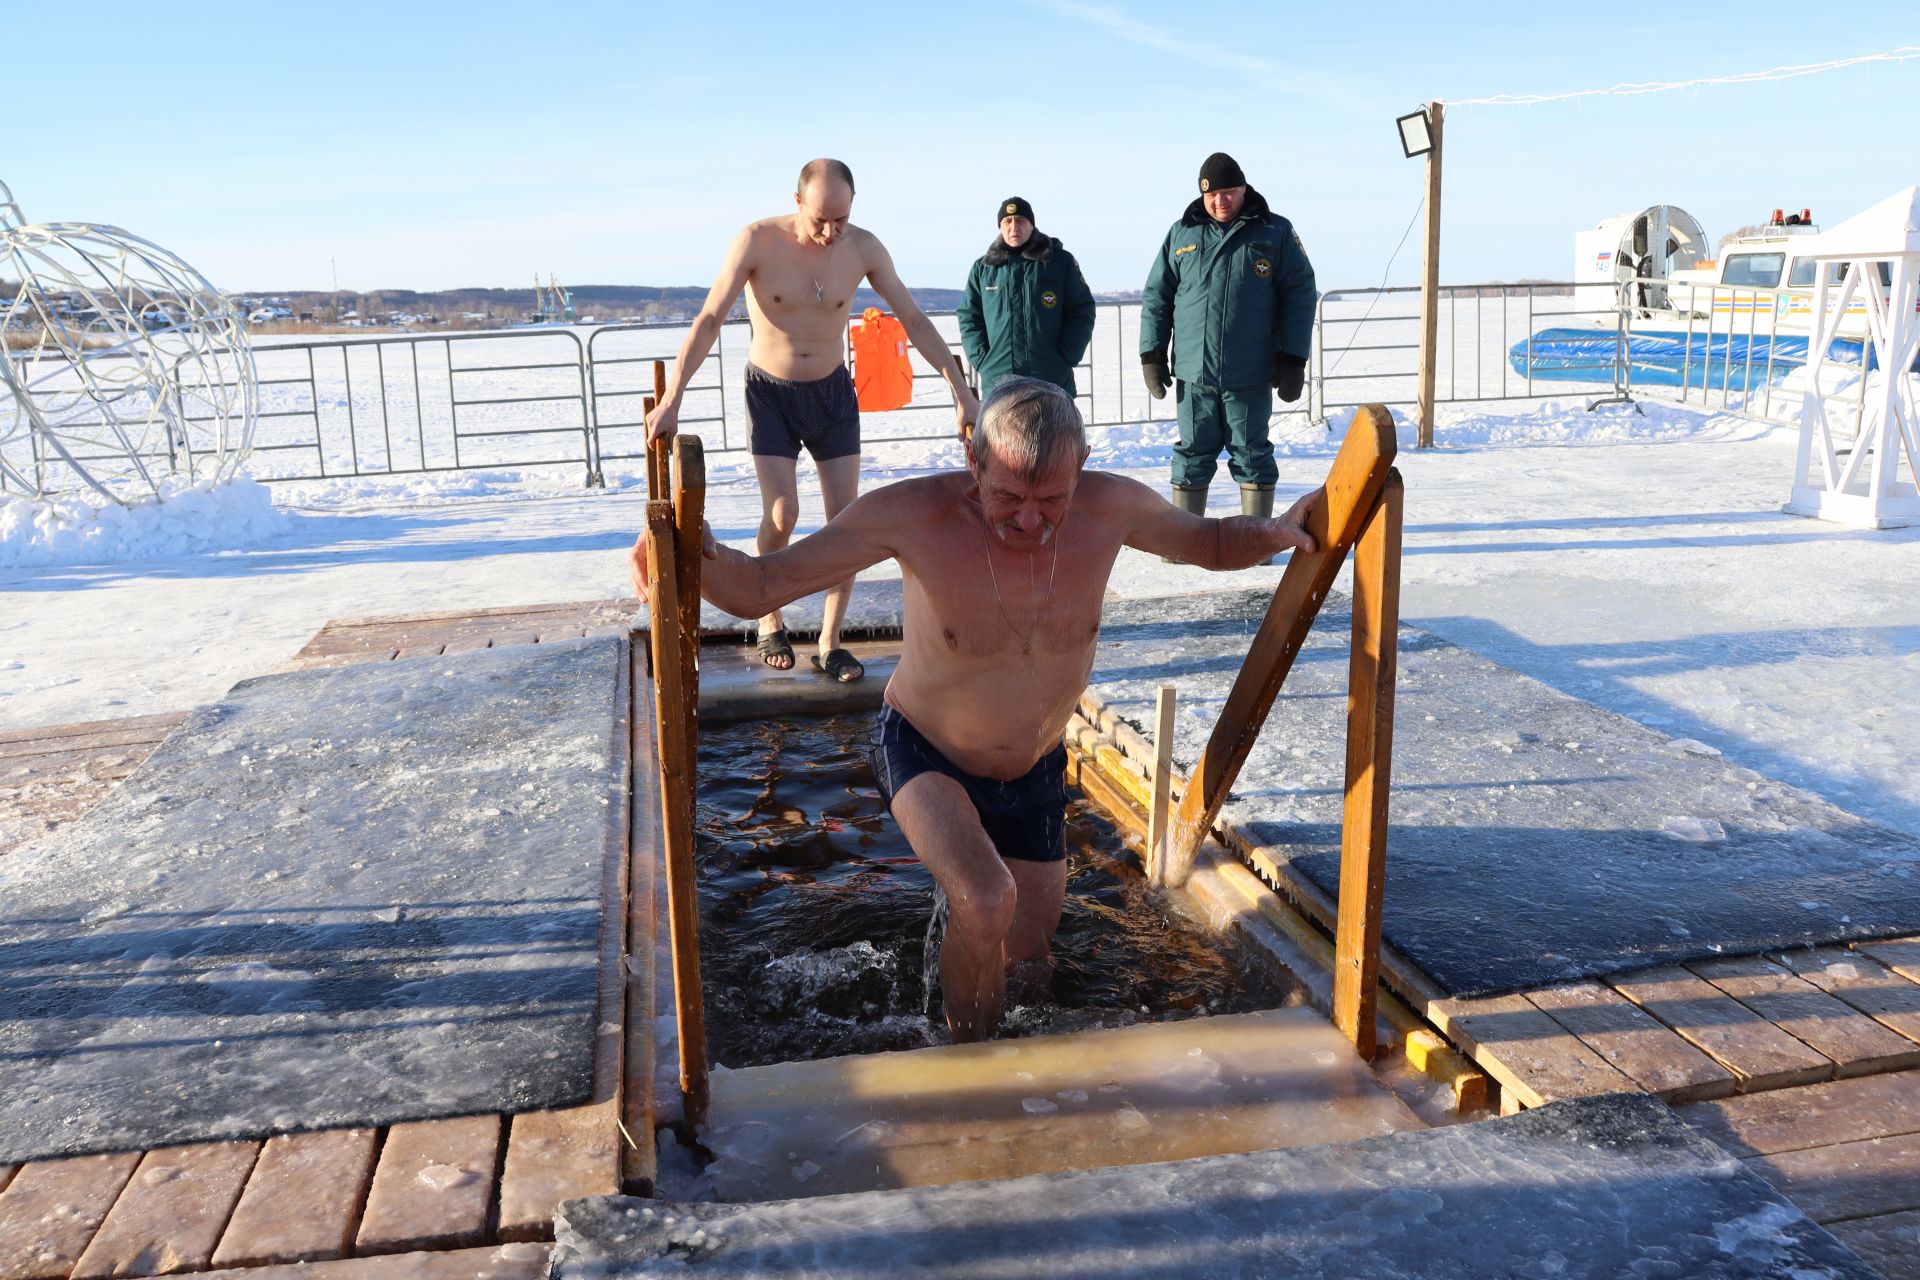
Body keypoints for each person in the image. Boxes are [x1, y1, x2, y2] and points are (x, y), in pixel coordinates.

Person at [629, 377, 1318, 1042]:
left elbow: (1212, 543)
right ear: (973, 459)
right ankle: (963, 1058)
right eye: (1009, 494)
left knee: (1030, 965)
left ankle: (1015, 1054)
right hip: (926, 748)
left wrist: (1280, 528)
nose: (1029, 518)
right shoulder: (913, 514)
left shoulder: (1110, 507)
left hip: (1035, 766)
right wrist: (687, 550)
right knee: (985, 898)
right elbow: (761, 585)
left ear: (1081, 470)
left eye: (1052, 499)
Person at [644, 158, 979, 683]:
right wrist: (675, 399)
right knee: (781, 515)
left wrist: (960, 390)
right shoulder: (757, 241)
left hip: (832, 394)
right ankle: (769, 621)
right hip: (770, 393)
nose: (830, 233)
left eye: (840, 220)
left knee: (845, 522)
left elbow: (913, 318)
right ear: (797, 202)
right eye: (820, 220)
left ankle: (830, 641)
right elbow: (710, 317)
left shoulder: (864, 248)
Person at [1139, 152, 1316, 550]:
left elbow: (1300, 295)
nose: (1220, 201)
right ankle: (1183, 544)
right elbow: (1157, 296)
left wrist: (1293, 358)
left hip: (1249, 372)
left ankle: (1256, 545)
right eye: (1212, 194)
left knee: (1252, 453)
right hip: (1193, 371)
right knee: (1191, 453)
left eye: (1228, 192)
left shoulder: (1274, 233)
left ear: (1243, 189)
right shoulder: (1182, 234)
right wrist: (1151, 353)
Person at [957, 196, 1096, 400]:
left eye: (1020, 220)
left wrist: (1068, 353)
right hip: (1000, 380)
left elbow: (1082, 309)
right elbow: (969, 316)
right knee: (1002, 433)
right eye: (1008, 221)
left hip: (1052, 378)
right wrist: (982, 359)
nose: (1014, 227)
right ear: (1000, 226)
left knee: (1054, 432)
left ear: (1032, 225)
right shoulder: (984, 269)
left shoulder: (1059, 262)